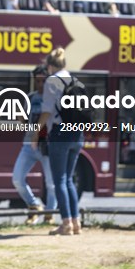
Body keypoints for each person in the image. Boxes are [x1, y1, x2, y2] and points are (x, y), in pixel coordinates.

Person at [34, 47, 83, 236]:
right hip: (77, 134)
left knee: (60, 180)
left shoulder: (52, 81)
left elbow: (46, 111)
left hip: (61, 133)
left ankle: (66, 223)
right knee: (69, 180)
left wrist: (36, 132)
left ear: (50, 66)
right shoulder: (74, 80)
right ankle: (76, 221)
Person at [13, 65, 56, 225]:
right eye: (37, 81)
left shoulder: (53, 99)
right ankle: (33, 206)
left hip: (47, 144)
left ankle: (49, 213)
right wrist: (20, 117)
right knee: (17, 178)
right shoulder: (30, 98)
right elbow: (24, 122)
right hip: (29, 143)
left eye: (43, 81)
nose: (40, 84)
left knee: (51, 183)